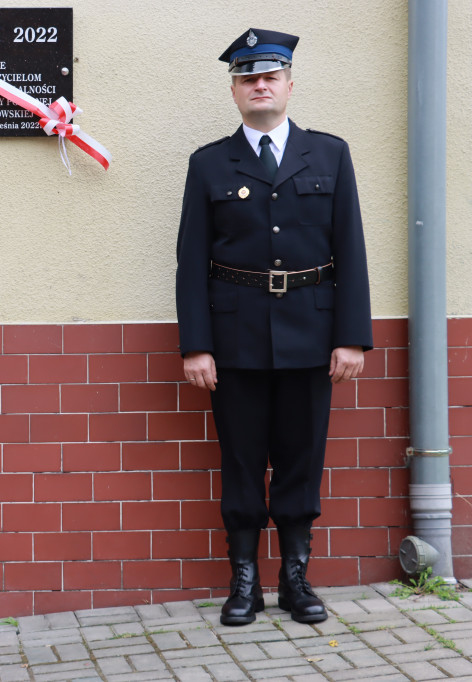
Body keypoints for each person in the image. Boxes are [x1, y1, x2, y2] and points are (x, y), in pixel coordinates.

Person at [175, 29, 372, 626]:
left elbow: (351, 251)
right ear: (235, 89)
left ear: (289, 84)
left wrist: (350, 335)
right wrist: (197, 346)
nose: (260, 85)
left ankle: (295, 579)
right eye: (247, 77)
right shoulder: (209, 162)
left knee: (300, 459)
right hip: (234, 342)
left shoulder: (330, 154)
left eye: (270, 76)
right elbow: (191, 261)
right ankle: (244, 584)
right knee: (240, 462)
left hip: (312, 337)